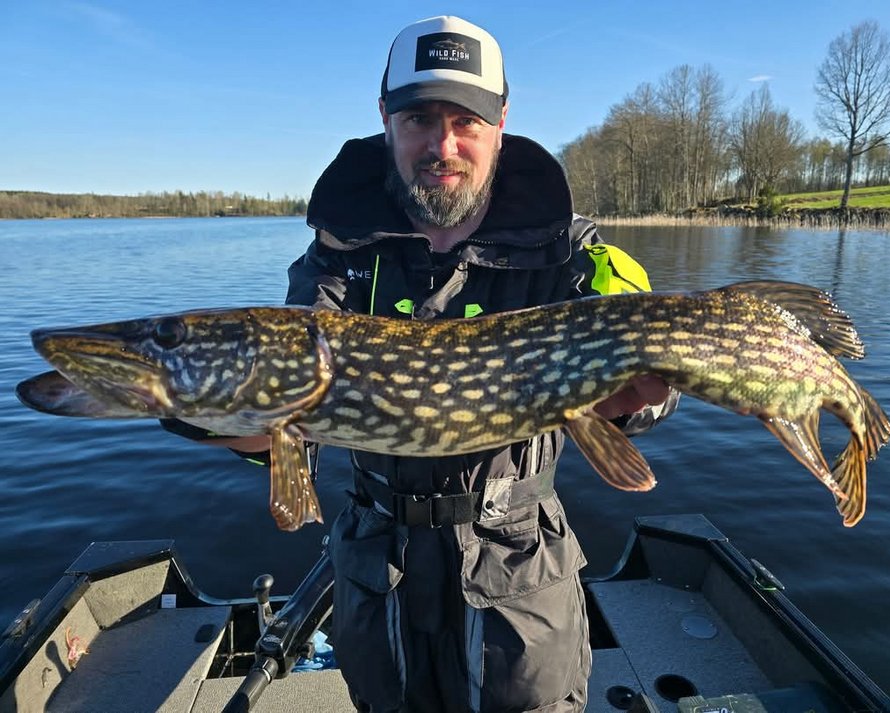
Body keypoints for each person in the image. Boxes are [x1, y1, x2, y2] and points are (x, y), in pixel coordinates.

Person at [172, 15, 678, 712]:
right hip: (378, 574)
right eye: (418, 119)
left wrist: (640, 398)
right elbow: (283, 428)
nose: (442, 145)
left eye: (465, 120)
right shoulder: (334, 262)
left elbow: (655, 386)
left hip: (519, 579)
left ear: (502, 121)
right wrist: (192, 407)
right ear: (385, 119)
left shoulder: (575, 252)